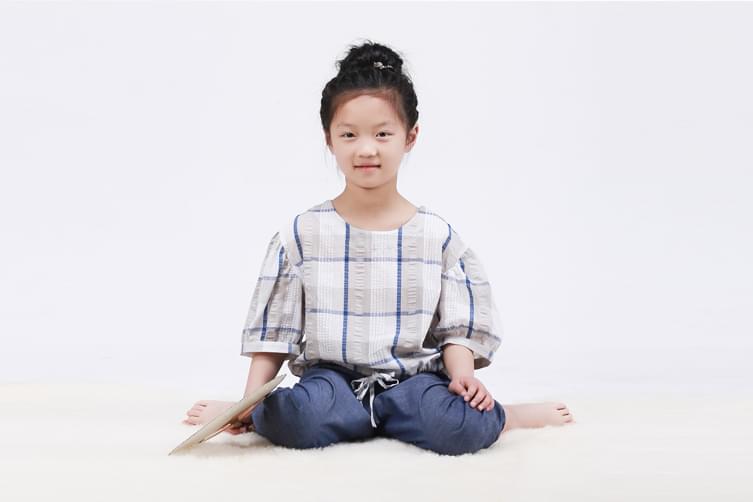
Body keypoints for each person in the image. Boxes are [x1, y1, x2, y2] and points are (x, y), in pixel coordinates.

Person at [183, 40, 575, 456]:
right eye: (349, 134)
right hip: (331, 383)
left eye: (383, 134)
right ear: (329, 139)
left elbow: (457, 327)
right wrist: (249, 399)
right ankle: (252, 413)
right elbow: (274, 332)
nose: (366, 148)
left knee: (459, 425)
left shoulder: (437, 237)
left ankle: (505, 416)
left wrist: (463, 377)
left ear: (410, 137)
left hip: (415, 383)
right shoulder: (301, 234)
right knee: (295, 418)